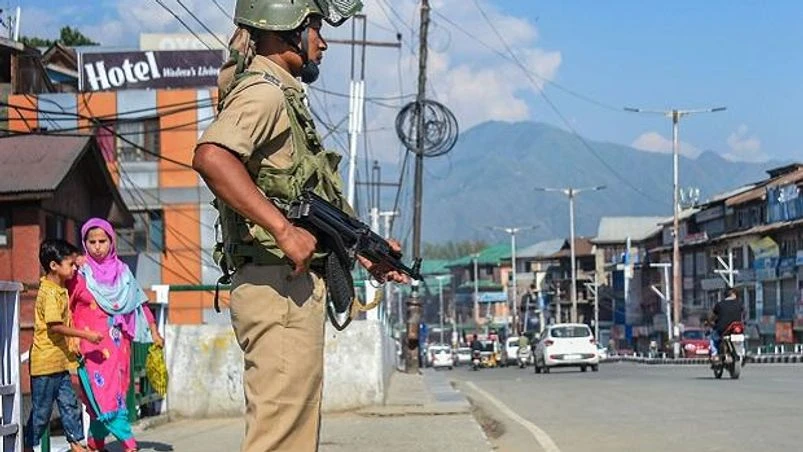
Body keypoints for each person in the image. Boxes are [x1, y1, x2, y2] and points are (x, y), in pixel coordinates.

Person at [191, 1, 405, 450]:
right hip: (277, 287)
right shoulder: (264, 92)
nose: (322, 42)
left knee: (293, 436)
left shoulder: (281, 93)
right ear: (286, 31)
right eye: (315, 29)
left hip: (283, 287)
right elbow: (213, 156)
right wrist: (283, 231)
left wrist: (364, 250)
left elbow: (302, 199)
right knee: (281, 439)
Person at [67, 218, 164, 452]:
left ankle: (95, 443)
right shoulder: (79, 274)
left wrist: (153, 330)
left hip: (120, 346)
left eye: (102, 241)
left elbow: (138, 304)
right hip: (91, 348)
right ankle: (129, 443)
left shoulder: (123, 273)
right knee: (101, 395)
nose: (97, 246)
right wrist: (71, 337)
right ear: (84, 243)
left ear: (112, 242)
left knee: (115, 395)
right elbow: (65, 308)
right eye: (92, 242)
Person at [24, 239, 102, 452]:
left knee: (70, 405)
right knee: (41, 411)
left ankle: (77, 444)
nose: (74, 268)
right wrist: (85, 335)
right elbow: (56, 326)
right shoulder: (48, 292)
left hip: (61, 362)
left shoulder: (60, 290)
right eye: (70, 264)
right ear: (54, 266)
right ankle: (28, 445)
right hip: (45, 364)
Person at [707, 289, 744, 361]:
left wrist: (710, 321)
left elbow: (712, 316)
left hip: (723, 329)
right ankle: (741, 353)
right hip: (737, 329)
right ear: (734, 295)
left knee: (713, 337)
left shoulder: (720, 304)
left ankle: (715, 355)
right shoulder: (740, 304)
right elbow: (743, 314)